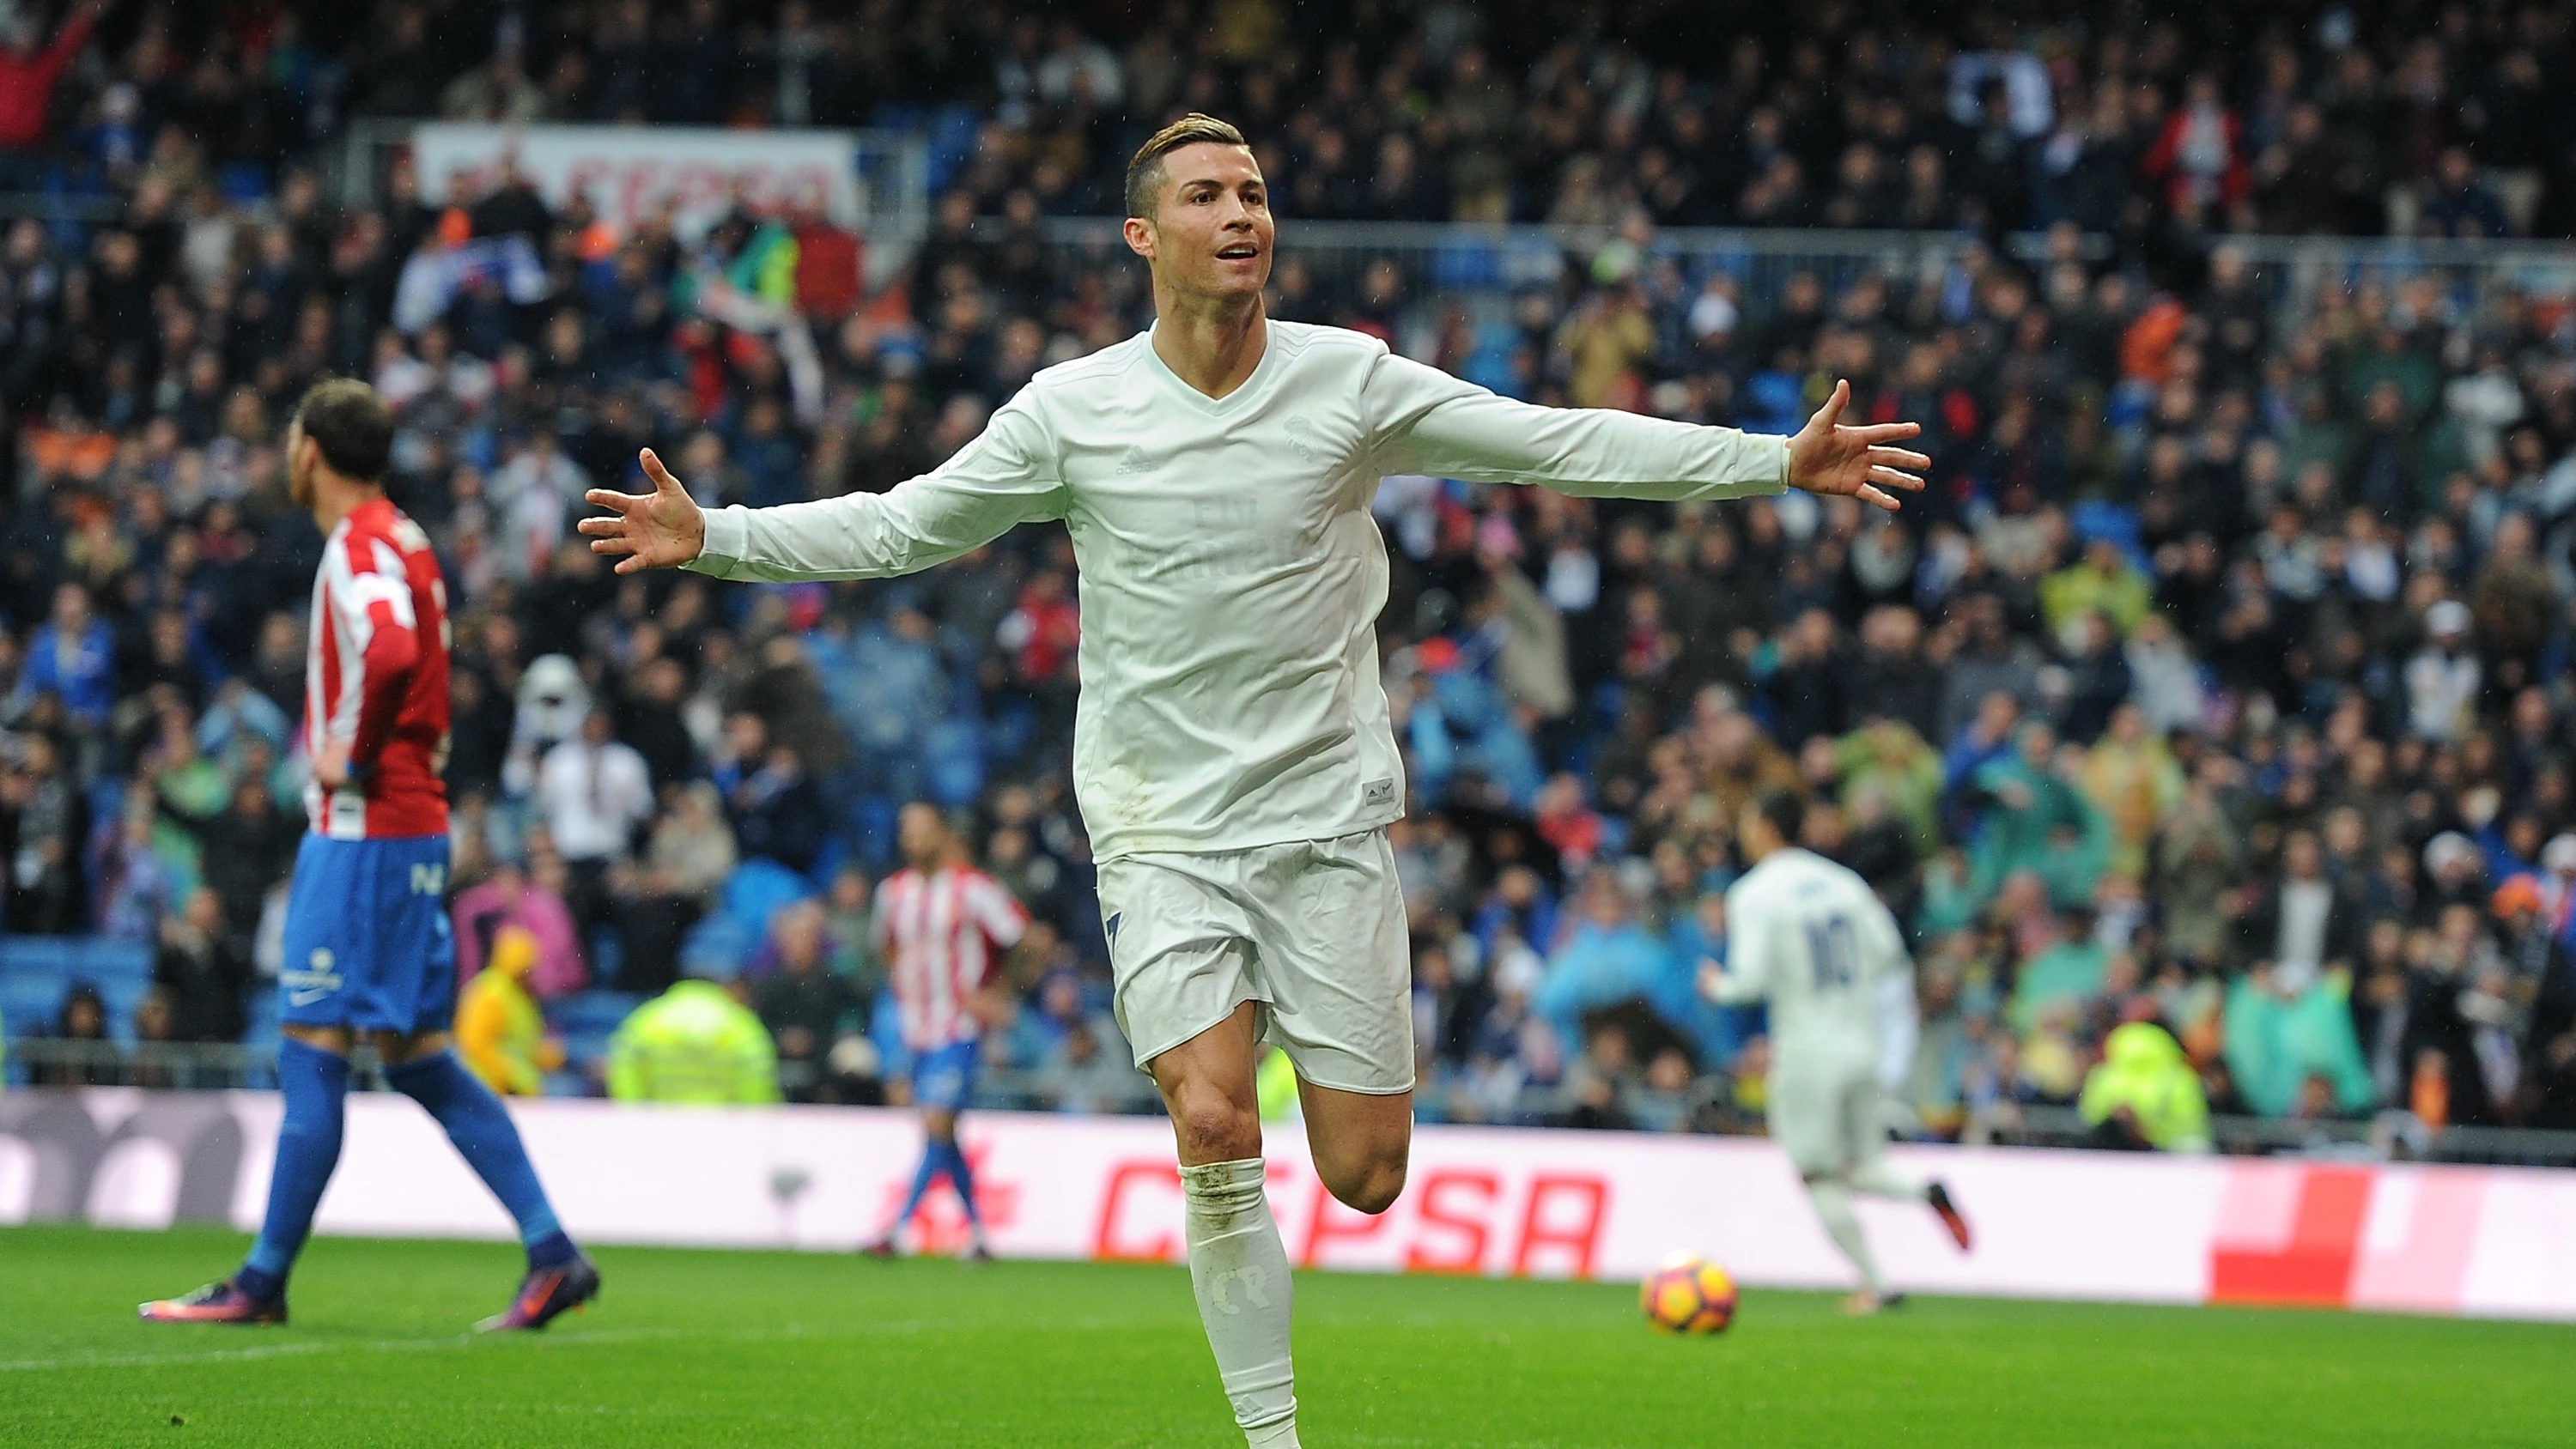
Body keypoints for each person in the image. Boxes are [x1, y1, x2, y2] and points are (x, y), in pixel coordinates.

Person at [580, 115, 1926, 1447]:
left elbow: (1554, 442)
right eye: (1209, 196)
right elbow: (904, 523)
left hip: (1324, 823)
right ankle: (1271, 1441)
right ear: (1142, 234)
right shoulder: (1073, 412)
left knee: (1366, 1174)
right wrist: (720, 540)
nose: (1241, 216)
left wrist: (1774, 462)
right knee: (1215, 1119)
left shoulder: (1350, 381)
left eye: (1256, 194)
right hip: (1158, 828)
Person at [142, 379, 598, 1331]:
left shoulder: (357, 548)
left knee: (312, 1043)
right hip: (412, 828)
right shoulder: (409, 536)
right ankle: (552, 1251)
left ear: (310, 451)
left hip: (366, 833)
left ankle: (262, 1280)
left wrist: (345, 750)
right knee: (419, 1058)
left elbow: (389, 649)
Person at [1703, 790, 1974, 1315]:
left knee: (1819, 1174)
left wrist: (1717, 985)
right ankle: (1926, 1190)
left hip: (1807, 1052)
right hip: (1860, 1044)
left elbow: (1749, 981)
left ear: (1762, 826)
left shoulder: (1754, 893)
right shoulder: (1844, 883)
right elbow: (1888, 955)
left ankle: (1878, 1283)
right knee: (1866, 1164)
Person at [862, 803, 1029, 1261]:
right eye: (907, 833)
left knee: (936, 1120)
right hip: (911, 1026)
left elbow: (1022, 939)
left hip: (959, 1025)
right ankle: (977, 1235)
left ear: (942, 835)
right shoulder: (892, 893)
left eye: (922, 832)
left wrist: (998, 993)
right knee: (941, 1131)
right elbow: (885, 950)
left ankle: (896, 1231)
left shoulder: (973, 889)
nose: (913, 841)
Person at [605, 971, 781, 1104]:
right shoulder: (739, 1023)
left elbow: (624, 1066)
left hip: (660, 1128)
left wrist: (635, 1116)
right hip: (723, 1132)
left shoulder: (648, 1018)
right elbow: (758, 1074)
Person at [454, 925, 563, 1096]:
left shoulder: (518, 995)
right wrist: (511, 1076)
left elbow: (522, 1046)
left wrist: (549, 1056)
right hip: (492, 1089)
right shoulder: (490, 992)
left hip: (513, 1090)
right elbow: (475, 1045)